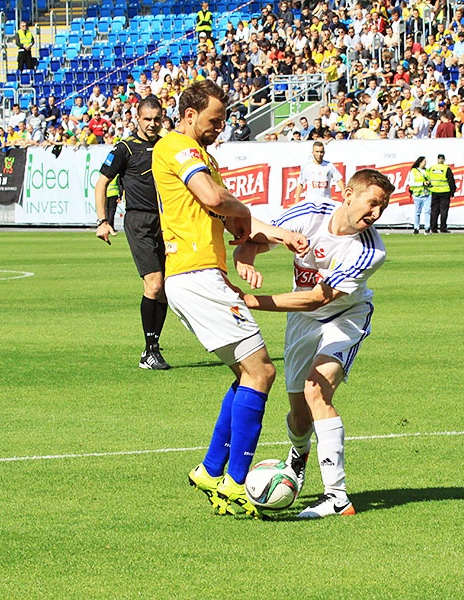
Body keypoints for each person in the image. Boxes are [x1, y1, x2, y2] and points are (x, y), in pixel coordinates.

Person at [152, 80, 306, 517]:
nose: (220, 126)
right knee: (261, 372)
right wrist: (236, 213)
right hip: (197, 276)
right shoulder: (178, 148)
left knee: (246, 374)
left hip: (199, 276)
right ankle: (237, 484)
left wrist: (280, 234)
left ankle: (211, 469)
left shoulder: (204, 156)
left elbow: (228, 214)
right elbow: (215, 198)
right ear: (188, 115)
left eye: (223, 120)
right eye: (214, 119)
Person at [236, 169, 395, 518]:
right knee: (298, 417)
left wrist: (251, 300)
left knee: (316, 390)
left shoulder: (371, 251)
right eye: (372, 204)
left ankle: (337, 497)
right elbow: (257, 235)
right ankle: (298, 458)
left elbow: (317, 299)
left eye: (383, 207)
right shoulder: (309, 213)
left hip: (344, 317)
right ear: (348, 194)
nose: (376, 214)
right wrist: (244, 259)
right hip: (300, 321)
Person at [94, 96, 171, 370]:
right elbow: (102, 182)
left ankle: (152, 349)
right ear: (137, 119)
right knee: (154, 283)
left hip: (166, 222)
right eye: (147, 119)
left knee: (164, 290)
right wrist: (103, 220)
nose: (152, 124)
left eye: (156, 119)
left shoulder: (166, 147)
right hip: (138, 221)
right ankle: (150, 351)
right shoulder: (125, 148)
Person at [295, 141, 344, 205]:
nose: (319, 154)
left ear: (324, 153)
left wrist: (343, 191)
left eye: (321, 152)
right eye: (317, 152)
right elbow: (301, 184)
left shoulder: (329, 165)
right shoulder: (307, 167)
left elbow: (338, 179)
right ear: (312, 152)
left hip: (326, 202)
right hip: (311, 203)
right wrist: (296, 201)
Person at [428, 153, 456, 234]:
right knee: (444, 211)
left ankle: (433, 228)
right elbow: (451, 181)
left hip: (434, 191)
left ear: (437, 159)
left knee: (434, 211)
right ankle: (443, 228)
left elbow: (428, 179)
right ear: (443, 160)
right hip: (444, 191)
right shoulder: (446, 168)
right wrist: (452, 192)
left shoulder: (432, 168)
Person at [406, 156, 431, 234]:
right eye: (424, 161)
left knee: (427, 211)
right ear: (420, 162)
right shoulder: (414, 171)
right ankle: (416, 227)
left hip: (427, 193)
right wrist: (422, 183)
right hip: (418, 194)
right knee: (417, 212)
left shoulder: (427, 171)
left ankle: (427, 227)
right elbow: (411, 183)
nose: (425, 163)